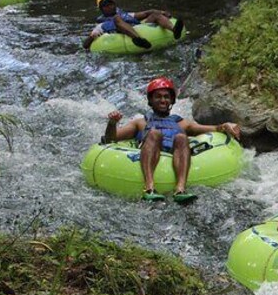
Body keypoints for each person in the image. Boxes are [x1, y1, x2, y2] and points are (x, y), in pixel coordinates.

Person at [103, 76, 241, 204]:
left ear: (171, 101)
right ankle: (149, 188)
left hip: (174, 155)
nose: (163, 100)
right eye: (158, 97)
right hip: (149, 151)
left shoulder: (182, 123)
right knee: (154, 134)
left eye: (166, 97)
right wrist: (112, 123)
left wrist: (225, 125)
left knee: (181, 137)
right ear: (150, 100)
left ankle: (180, 189)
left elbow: (213, 128)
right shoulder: (140, 123)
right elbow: (111, 139)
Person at [83, 0, 184, 51]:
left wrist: (162, 12)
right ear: (101, 9)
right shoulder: (101, 25)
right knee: (117, 19)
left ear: (114, 4)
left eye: (111, 3)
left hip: (140, 29)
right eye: (106, 5)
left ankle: (174, 30)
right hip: (126, 36)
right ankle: (138, 39)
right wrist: (92, 36)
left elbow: (145, 13)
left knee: (154, 13)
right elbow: (85, 45)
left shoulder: (125, 14)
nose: (110, 7)